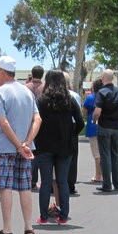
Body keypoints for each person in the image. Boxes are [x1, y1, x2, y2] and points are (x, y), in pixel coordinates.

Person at [0, 56, 42, 234]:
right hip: (25, 148)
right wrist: (26, 143)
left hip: (4, 147)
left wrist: (18, 145)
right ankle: (29, 227)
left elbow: (3, 123)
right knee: (25, 187)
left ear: (2, 72)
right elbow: (37, 119)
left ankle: (7, 229)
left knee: (5, 187)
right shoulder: (27, 92)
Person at [34, 70, 84, 225]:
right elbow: (80, 122)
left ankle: (43, 216)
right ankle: (63, 216)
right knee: (62, 181)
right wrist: (71, 134)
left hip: (44, 146)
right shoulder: (69, 100)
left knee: (46, 182)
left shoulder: (41, 100)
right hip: (64, 146)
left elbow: (35, 121)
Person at [93, 69, 118, 192]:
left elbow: (97, 111)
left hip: (104, 126)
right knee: (115, 155)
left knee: (105, 155)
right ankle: (117, 184)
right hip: (117, 127)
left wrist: (94, 121)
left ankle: (107, 184)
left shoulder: (102, 92)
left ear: (103, 78)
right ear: (112, 79)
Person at [64, 71, 82, 194]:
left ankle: (54, 185)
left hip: (62, 127)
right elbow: (79, 115)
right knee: (72, 157)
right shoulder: (75, 95)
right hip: (73, 127)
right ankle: (70, 184)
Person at [83, 79, 103, 183]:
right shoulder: (107, 97)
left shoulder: (90, 98)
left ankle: (98, 176)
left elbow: (84, 112)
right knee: (105, 153)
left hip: (93, 126)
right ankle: (106, 174)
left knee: (97, 154)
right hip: (106, 126)